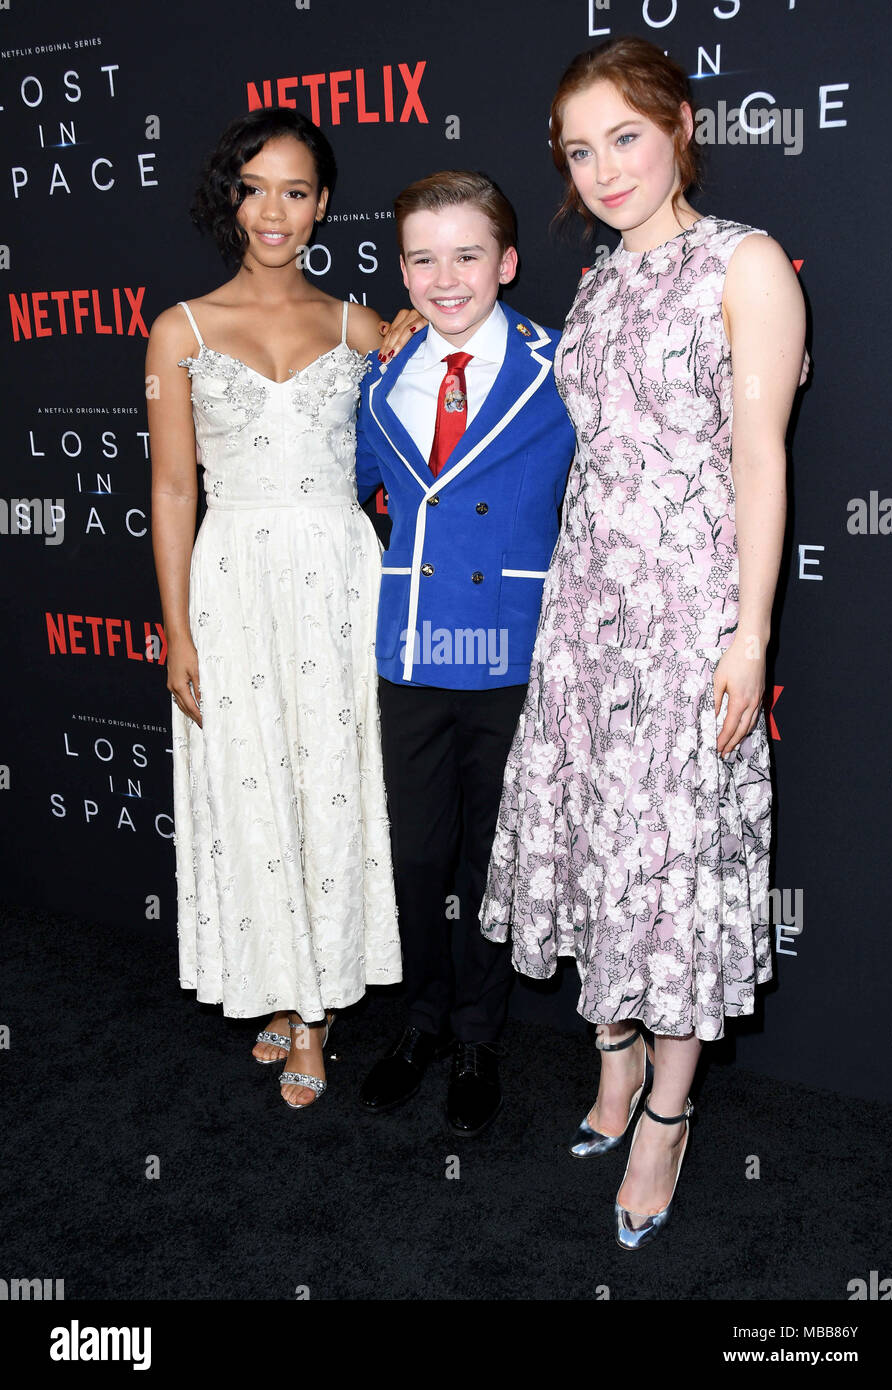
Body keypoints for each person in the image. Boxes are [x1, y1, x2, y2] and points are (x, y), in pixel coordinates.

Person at [479, 35, 805, 1245]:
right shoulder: (600, 278)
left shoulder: (746, 263)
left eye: (625, 135)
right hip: (585, 610)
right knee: (593, 843)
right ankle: (611, 1065)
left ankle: (666, 1115)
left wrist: (748, 635)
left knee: (666, 863)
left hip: (686, 618)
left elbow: (758, 457)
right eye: (579, 147)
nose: (604, 167)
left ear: (679, 127)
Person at [147, 107, 402, 1110]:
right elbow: (173, 491)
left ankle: (313, 1012)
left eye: (294, 191)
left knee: (331, 780)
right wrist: (176, 628)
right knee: (253, 782)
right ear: (231, 198)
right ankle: (284, 985)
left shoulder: (363, 326)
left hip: (341, 577)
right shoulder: (183, 328)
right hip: (233, 580)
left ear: (322, 205)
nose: (273, 210)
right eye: (254, 187)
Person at [355, 171, 577, 1135]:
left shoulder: (560, 363)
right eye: (422, 257)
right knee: (416, 857)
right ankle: (424, 1018)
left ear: (508, 262)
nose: (446, 278)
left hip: (511, 654)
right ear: (402, 266)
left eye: (468, 254)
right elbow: (370, 491)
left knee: (491, 862)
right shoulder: (383, 374)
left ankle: (479, 1034)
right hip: (410, 649)